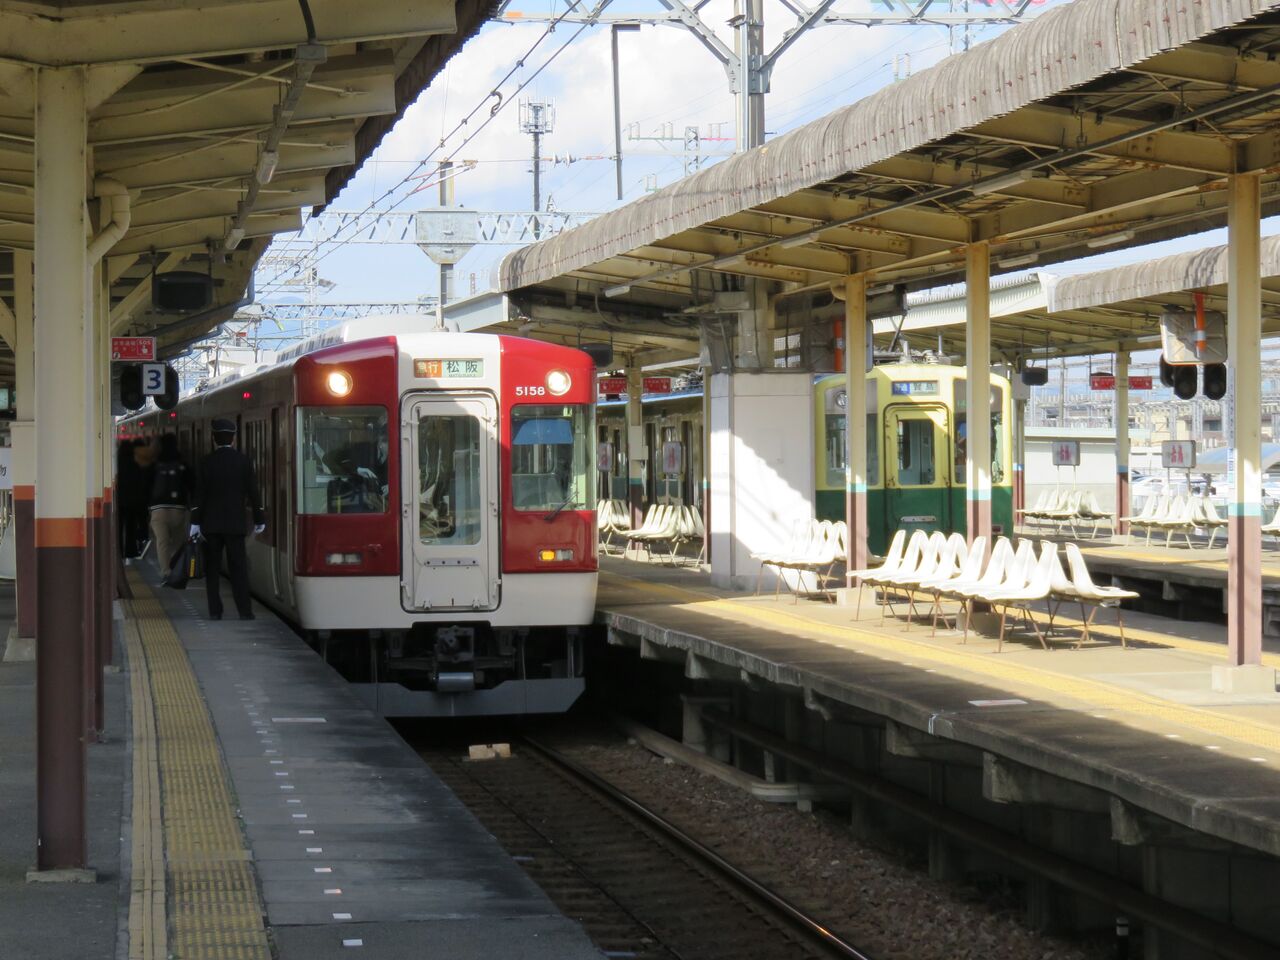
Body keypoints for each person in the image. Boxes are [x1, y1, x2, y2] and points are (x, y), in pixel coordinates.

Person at [190, 419, 266, 620]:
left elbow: (199, 495)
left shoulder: (206, 462)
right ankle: (245, 611)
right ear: (233, 438)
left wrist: (195, 522)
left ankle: (215, 611)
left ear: (213, 438)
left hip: (211, 525)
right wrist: (260, 518)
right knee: (238, 569)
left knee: (212, 570)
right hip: (235, 524)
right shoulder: (244, 461)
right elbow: (254, 493)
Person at [149, 433, 194, 579]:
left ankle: (166, 573)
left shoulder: (154, 465)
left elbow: (146, 487)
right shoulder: (182, 464)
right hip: (178, 509)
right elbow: (192, 485)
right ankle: (177, 571)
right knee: (178, 543)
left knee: (162, 543)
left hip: (157, 510)